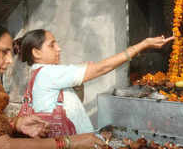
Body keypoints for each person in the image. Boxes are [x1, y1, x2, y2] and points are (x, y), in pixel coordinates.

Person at [0, 22, 105, 149]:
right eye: (3, 52)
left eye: (11, 53)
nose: (10, 60)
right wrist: (70, 142)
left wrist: (15, 124)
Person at [18, 29, 174, 134]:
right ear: (36, 52)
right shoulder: (49, 73)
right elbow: (101, 68)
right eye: (52, 45)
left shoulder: (40, 74)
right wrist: (143, 44)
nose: (59, 48)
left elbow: (90, 72)